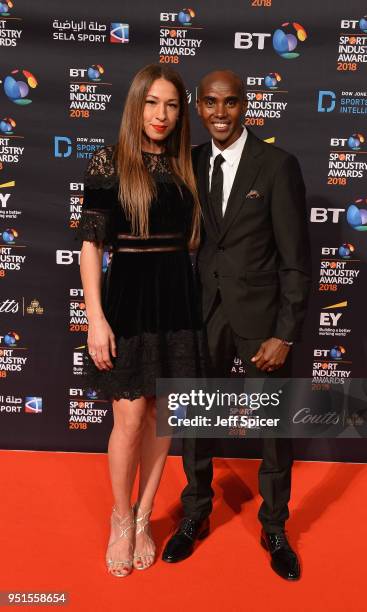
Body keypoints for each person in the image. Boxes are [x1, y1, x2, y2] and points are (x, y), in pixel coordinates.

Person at [162, 70, 311, 580]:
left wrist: (284, 332)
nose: (220, 113)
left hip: (261, 318)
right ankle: (195, 514)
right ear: (198, 109)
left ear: (245, 106)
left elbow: (295, 259)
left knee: (271, 428)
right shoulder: (190, 163)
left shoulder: (278, 166)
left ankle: (275, 528)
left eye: (229, 103)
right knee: (197, 421)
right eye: (209, 103)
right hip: (201, 313)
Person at [78, 64, 206, 577]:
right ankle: (120, 518)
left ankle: (147, 514)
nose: (162, 114)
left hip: (177, 299)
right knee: (128, 418)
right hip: (128, 299)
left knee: (160, 416)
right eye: (153, 103)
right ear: (137, 105)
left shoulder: (187, 166)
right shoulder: (111, 161)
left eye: (172, 105)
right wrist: (95, 318)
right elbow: (91, 246)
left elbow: (194, 239)